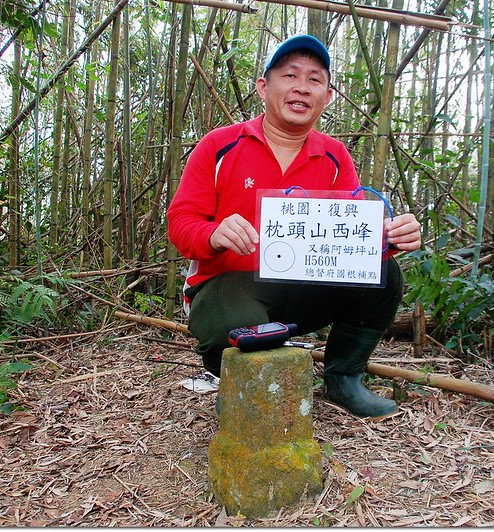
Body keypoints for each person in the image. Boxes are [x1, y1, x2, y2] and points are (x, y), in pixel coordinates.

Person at [168, 35, 422, 418]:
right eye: (289, 75)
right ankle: (241, 383)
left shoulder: (334, 156)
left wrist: (389, 239)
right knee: (238, 326)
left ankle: (344, 378)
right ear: (263, 87)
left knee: (384, 274)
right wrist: (213, 234)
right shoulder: (219, 146)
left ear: (328, 96)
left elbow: (348, 242)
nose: (302, 87)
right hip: (228, 284)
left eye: (315, 79)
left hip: (302, 283)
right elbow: (181, 222)